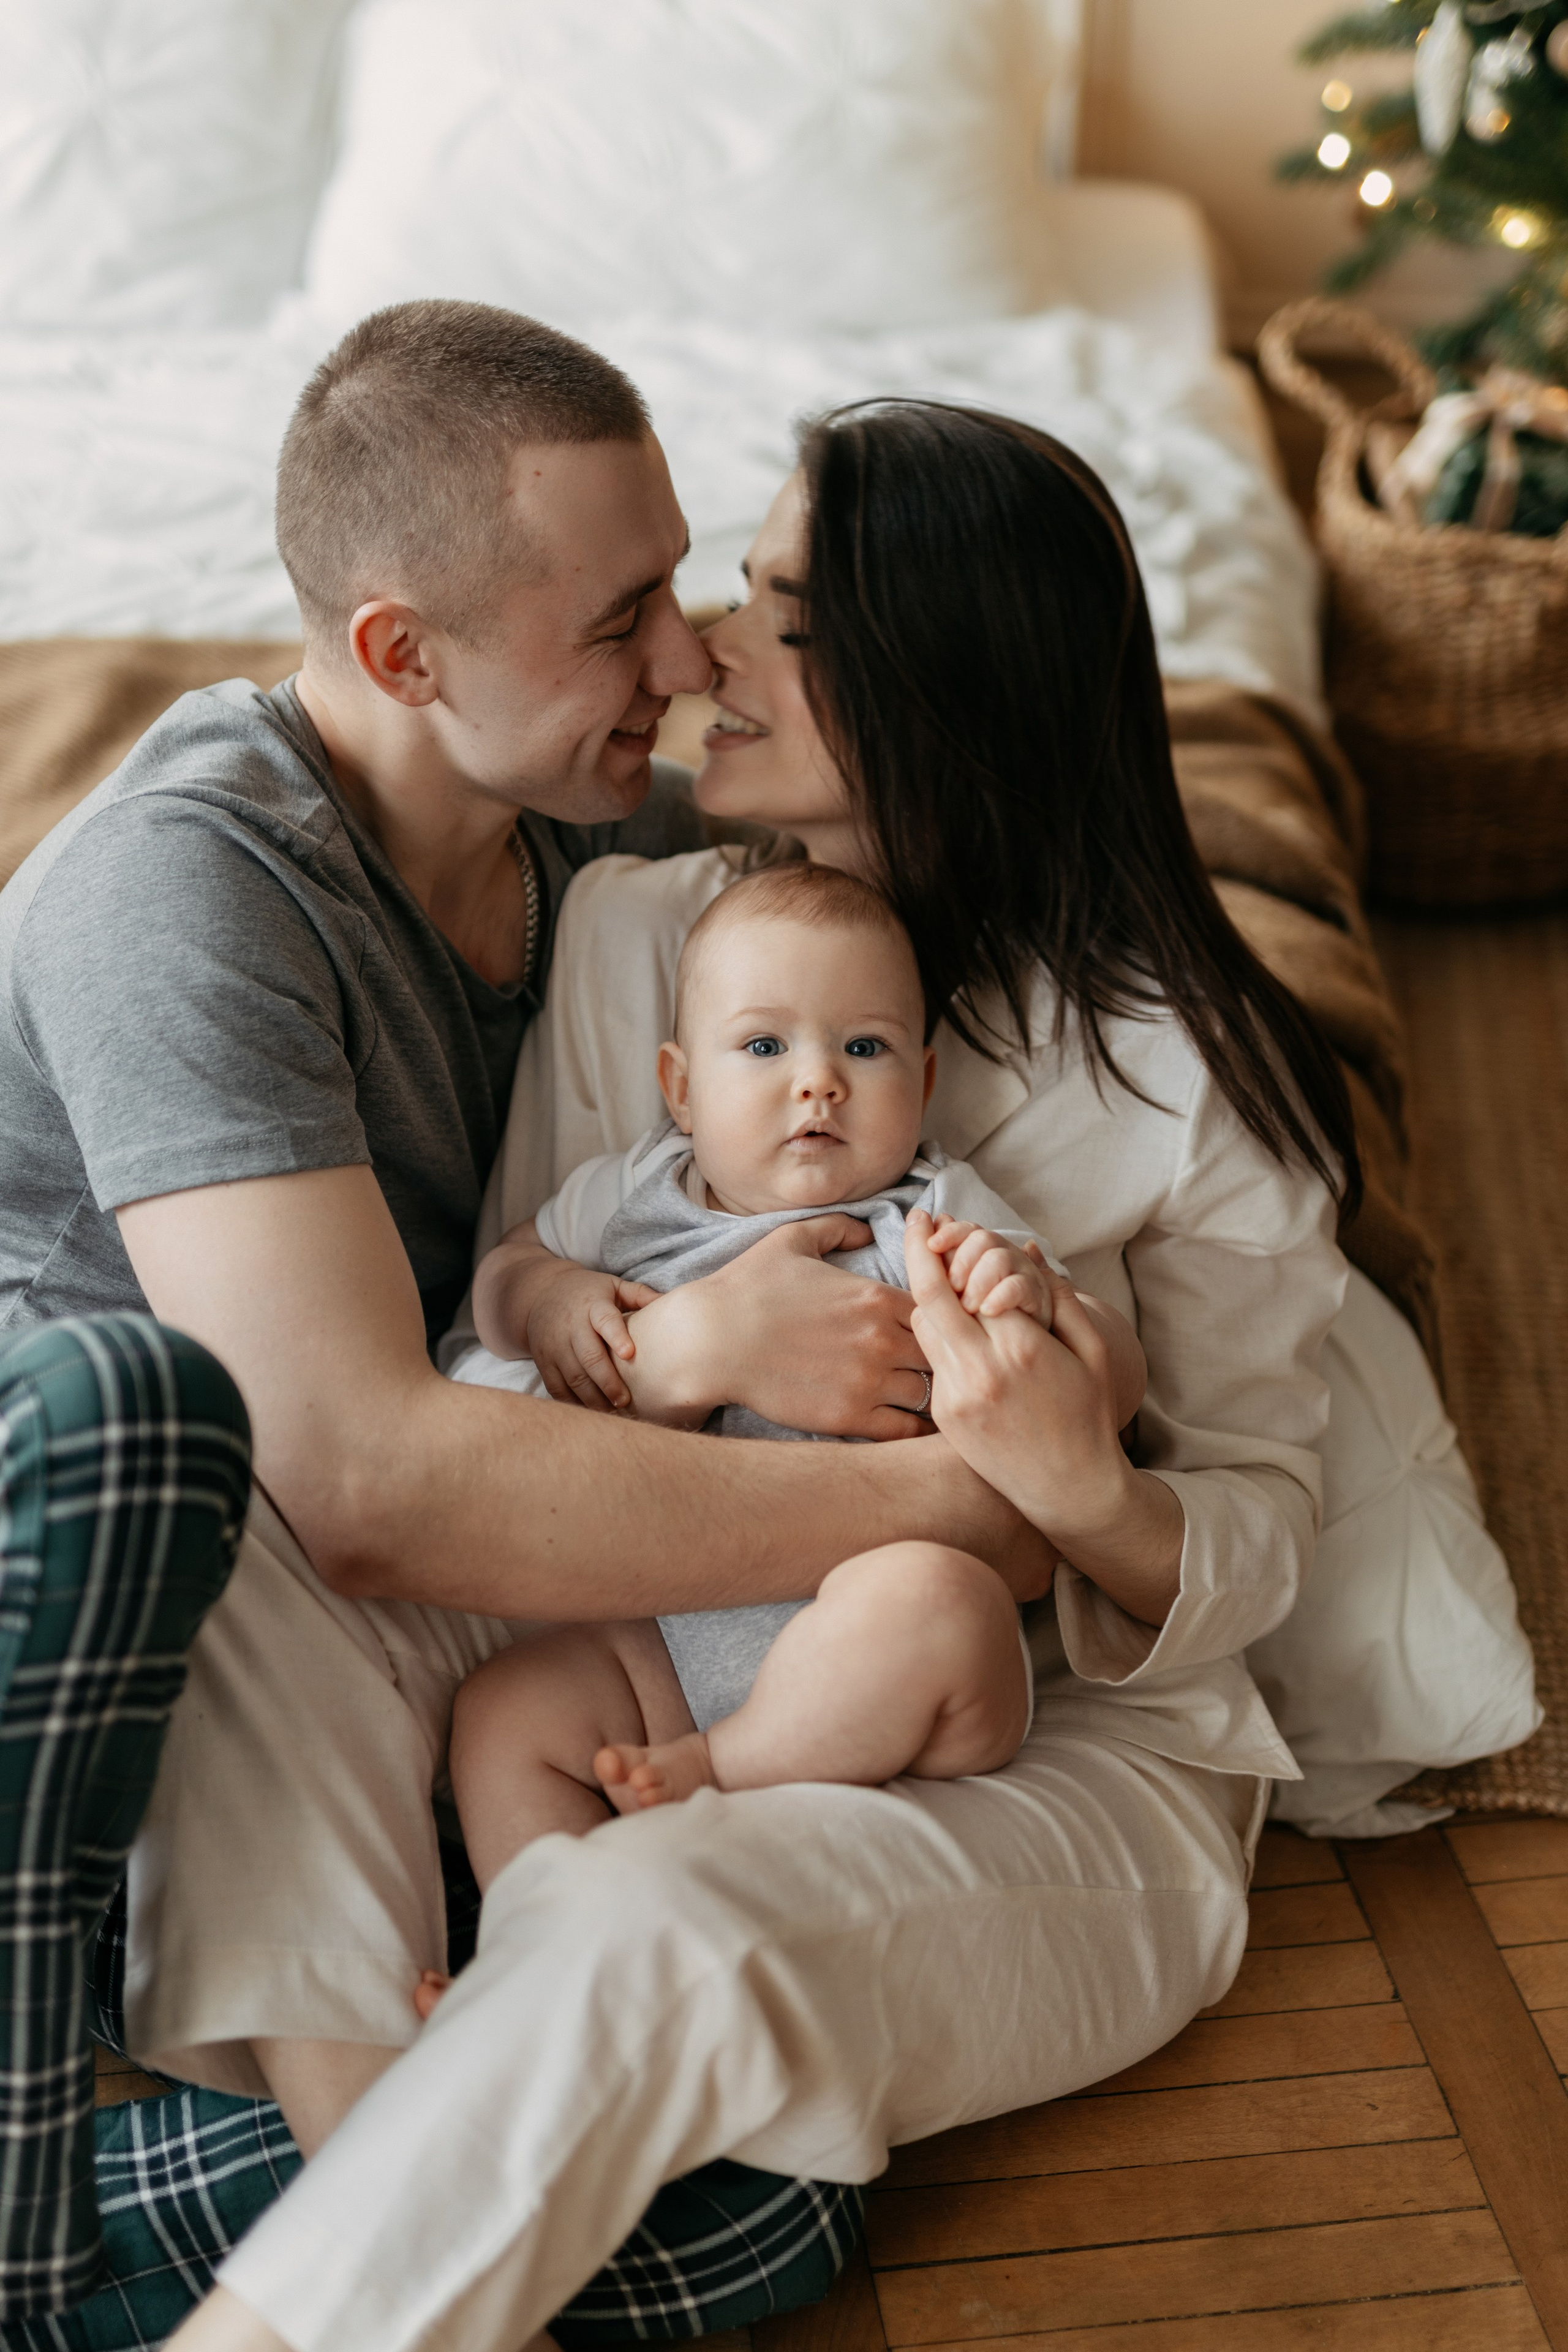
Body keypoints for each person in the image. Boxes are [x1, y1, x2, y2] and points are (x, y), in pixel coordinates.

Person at [162, 399, 1358, 2352]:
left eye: (783, 615)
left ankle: (311, 2274)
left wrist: (1080, 1487)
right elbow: (519, 1325)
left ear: (935, 681)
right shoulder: (638, 932)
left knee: (655, 1921)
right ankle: (365, 2088)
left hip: (1035, 1747)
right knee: (253, 1542)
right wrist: (675, 1352)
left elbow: (1260, 1546)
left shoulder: (1186, 1077)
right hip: (635, 1612)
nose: (705, 650)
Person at [0, 308, 1042, 2336]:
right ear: (404, 657)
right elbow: (367, 1483)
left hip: (358, 1614)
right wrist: (949, 1504)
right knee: (185, 1437)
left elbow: (860, 905)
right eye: (625, 615)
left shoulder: (596, 843)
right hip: (102, 1578)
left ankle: (255, 2216)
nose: (690, 662)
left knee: (770, 2210)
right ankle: (328, 2195)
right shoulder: (182, 886)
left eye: (692, 587)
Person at [417, 866, 1144, 1929]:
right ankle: (546, 1940)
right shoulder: (634, 1195)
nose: (819, 1083)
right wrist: (551, 1299)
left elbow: (1112, 1383)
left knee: (937, 1601)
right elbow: (496, 1285)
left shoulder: (934, 1212)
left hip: (872, 1648)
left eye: (865, 1047)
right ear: (679, 1087)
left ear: (926, 1081)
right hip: (667, 1640)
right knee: (503, 1715)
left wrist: (1029, 1294)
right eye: (764, 1047)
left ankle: (725, 1768)